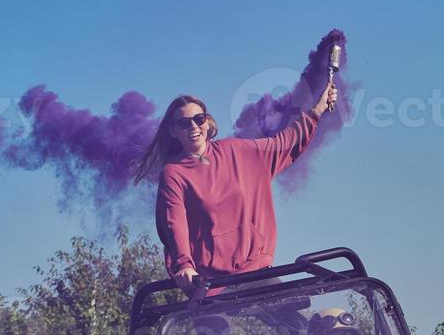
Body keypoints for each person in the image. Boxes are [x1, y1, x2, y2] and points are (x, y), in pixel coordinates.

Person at [133, 86, 339, 295]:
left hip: (254, 269)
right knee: (211, 327)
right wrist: (184, 264)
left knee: (294, 316)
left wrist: (317, 110)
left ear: (208, 122)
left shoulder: (236, 151)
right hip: (209, 282)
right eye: (184, 123)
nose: (193, 126)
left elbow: (282, 144)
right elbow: (175, 222)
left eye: (199, 119)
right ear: (173, 131)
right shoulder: (174, 173)